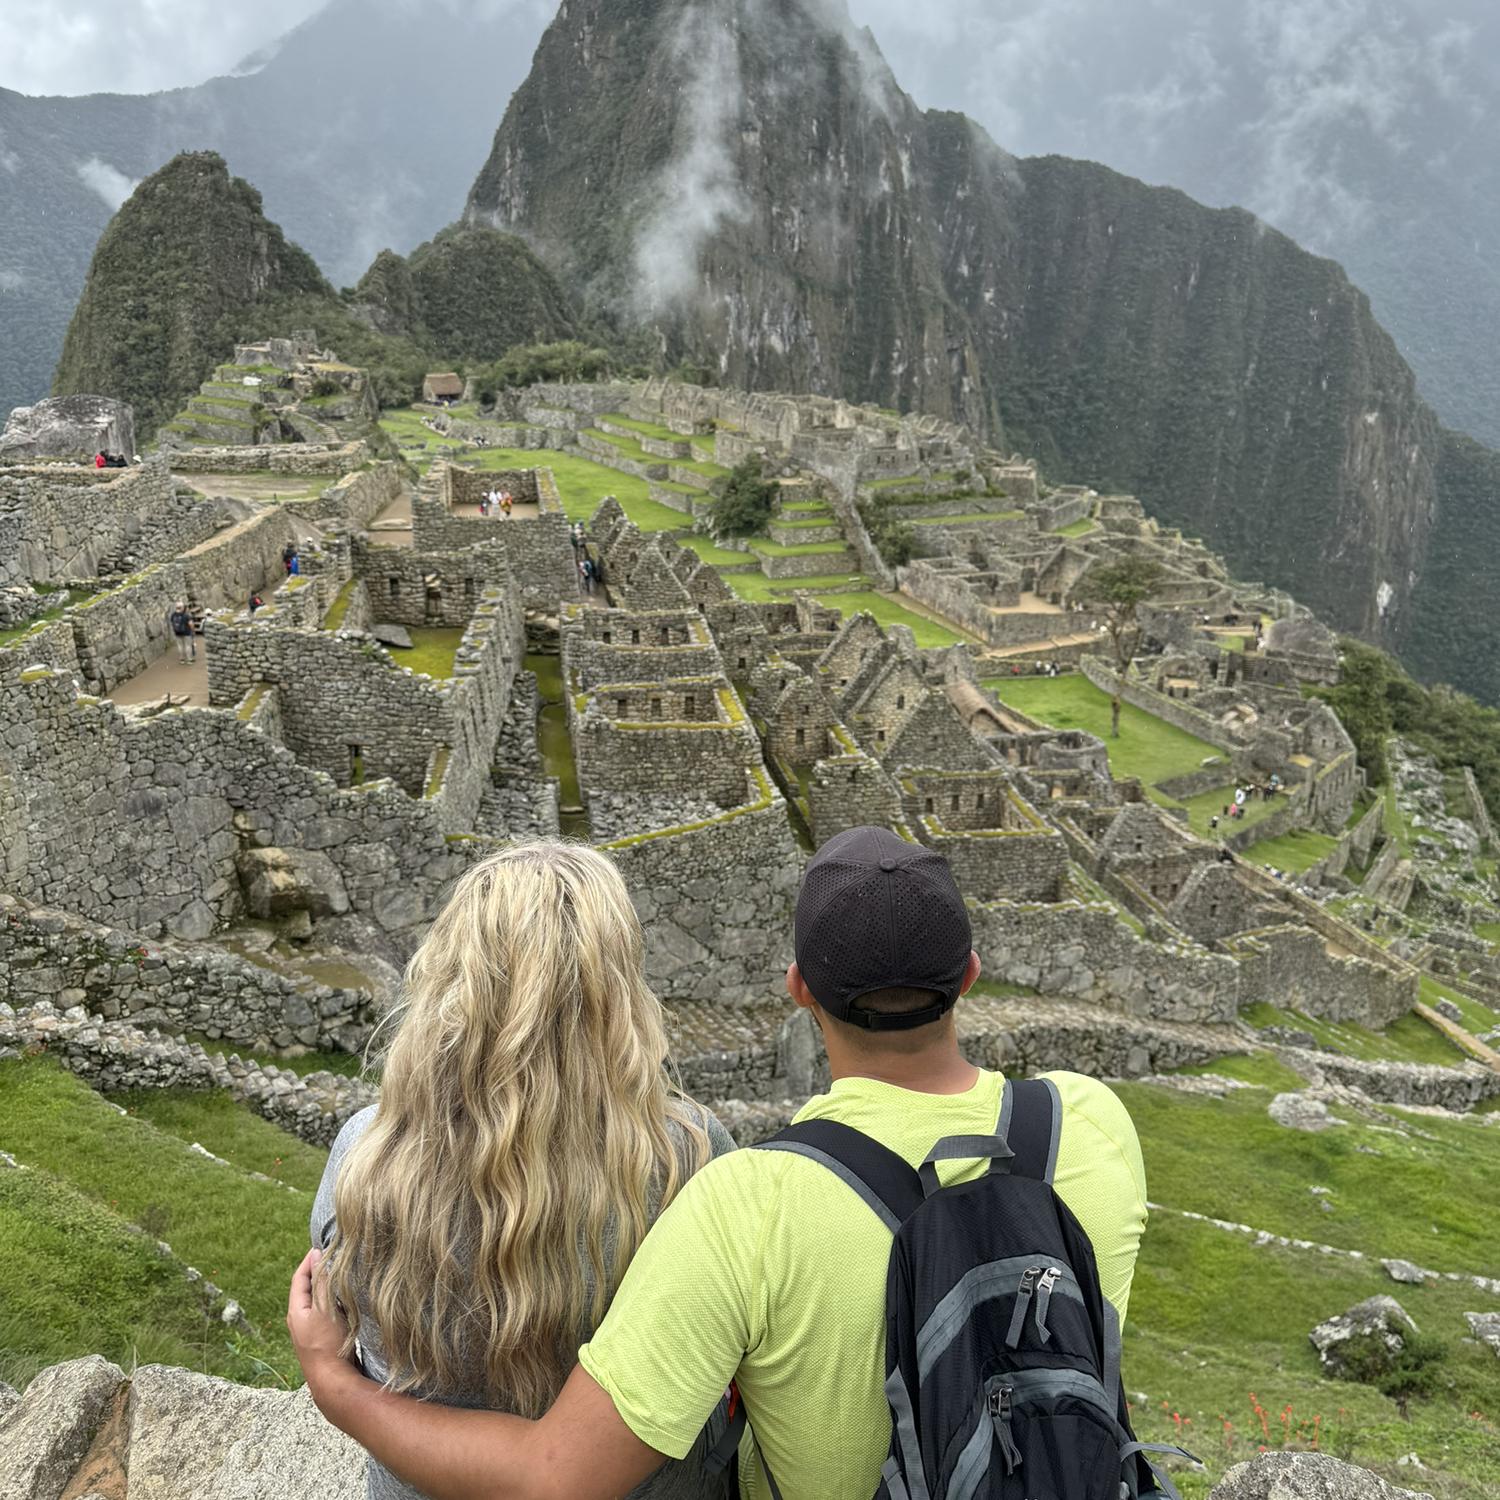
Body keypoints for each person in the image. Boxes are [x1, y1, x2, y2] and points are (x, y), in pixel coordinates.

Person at [290, 826, 1150, 1500]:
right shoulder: (1091, 1124)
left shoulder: (751, 1203)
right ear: (968, 974)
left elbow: (555, 1474)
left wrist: (334, 1382)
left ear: (799, 989)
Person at [308, 843, 735, 1500]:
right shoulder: (689, 1159)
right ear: (617, 988)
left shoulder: (363, 1155)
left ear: (451, 976)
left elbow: (335, 1322)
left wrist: (330, 1379)